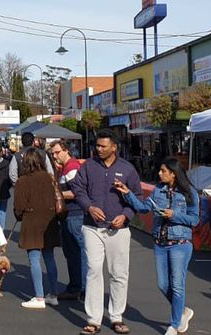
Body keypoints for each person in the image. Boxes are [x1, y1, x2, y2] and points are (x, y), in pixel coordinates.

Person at [115, 158, 200, 335]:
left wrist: (174, 215)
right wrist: (127, 193)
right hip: (160, 242)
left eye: (163, 171)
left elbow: (195, 219)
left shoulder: (189, 193)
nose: (159, 174)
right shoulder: (158, 190)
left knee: (177, 285)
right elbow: (144, 208)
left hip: (180, 243)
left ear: (173, 173)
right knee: (162, 284)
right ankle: (183, 310)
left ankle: (174, 324)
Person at [69, 131, 141, 335]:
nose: (98, 149)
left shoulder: (127, 169)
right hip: (92, 227)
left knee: (118, 274)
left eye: (102, 146)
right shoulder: (88, 166)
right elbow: (78, 188)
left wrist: (126, 215)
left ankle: (117, 317)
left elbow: (137, 196)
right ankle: (94, 319)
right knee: (93, 271)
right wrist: (89, 207)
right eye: (97, 146)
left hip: (118, 230)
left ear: (114, 147)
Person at [13, 147, 61, 309]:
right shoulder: (50, 178)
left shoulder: (22, 181)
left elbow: (19, 207)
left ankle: (39, 296)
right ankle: (53, 294)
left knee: (34, 258)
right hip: (49, 220)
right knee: (49, 257)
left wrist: (19, 215)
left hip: (31, 221)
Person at [48, 140, 87, 301]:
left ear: (66, 151)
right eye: (53, 154)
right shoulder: (65, 168)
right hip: (68, 215)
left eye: (57, 152)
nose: (55, 156)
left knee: (79, 252)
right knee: (71, 253)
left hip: (75, 214)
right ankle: (76, 286)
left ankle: (82, 288)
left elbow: (77, 192)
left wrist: (57, 195)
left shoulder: (72, 168)